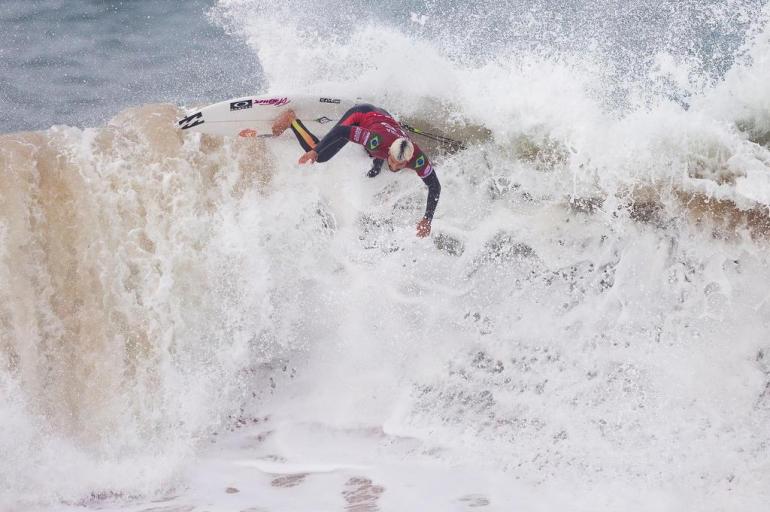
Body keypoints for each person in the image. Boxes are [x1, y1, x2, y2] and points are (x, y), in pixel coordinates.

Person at [272, 104, 440, 238]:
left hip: (385, 117)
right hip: (361, 115)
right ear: (388, 152)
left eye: (400, 165)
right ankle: (292, 121)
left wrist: (428, 218)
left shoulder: (417, 157)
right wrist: (315, 152)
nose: (395, 168)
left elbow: (434, 185)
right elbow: (341, 132)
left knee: (375, 169)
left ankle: (375, 161)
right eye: (393, 162)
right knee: (321, 155)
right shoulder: (374, 140)